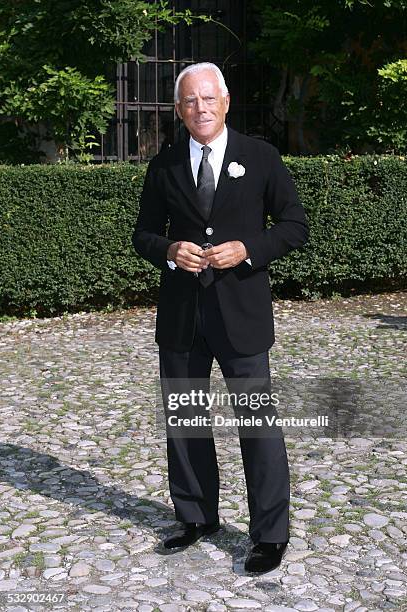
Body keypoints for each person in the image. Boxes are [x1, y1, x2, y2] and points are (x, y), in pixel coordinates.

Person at [132, 62, 309, 573]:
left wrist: (248, 249)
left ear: (226, 102)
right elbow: (142, 234)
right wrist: (169, 249)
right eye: (189, 101)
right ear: (179, 109)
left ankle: (270, 534)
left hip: (242, 315)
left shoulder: (261, 156)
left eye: (208, 98)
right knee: (185, 420)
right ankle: (195, 517)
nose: (200, 108)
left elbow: (295, 226)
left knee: (258, 426)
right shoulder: (163, 165)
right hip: (182, 317)